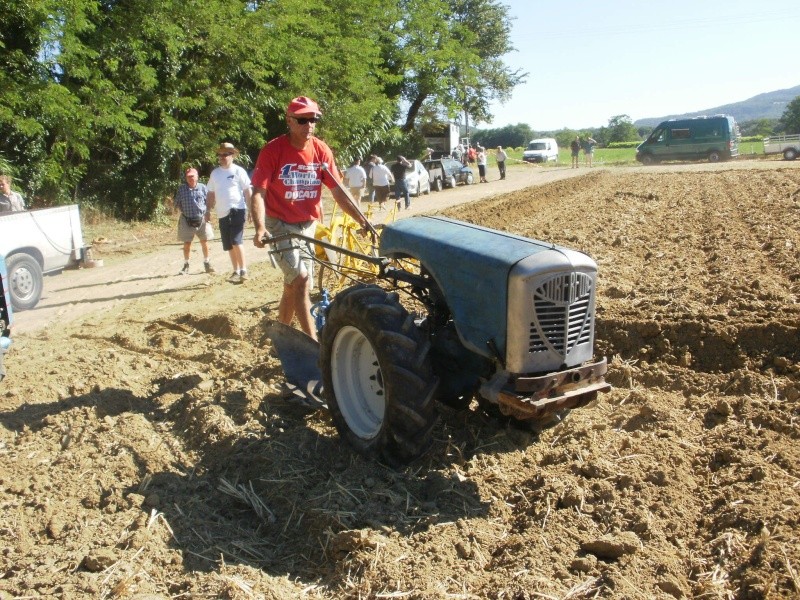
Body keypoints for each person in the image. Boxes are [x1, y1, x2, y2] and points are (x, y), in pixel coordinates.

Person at [250, 96, 372, 341]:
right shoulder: (273, 150)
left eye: (313, 119)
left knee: (293, 283)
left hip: (307, 224)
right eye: (303, 120)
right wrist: (261, 227)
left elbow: (338, 191)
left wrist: (361, 219)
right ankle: (313, 344)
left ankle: (281, 334)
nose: (309, 125)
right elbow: (258, 193)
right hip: (279, 223)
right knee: (302, 280)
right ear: (289, 121)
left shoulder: (321, 150)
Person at [207, 142, 252, 283]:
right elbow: (210, 193)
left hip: (237, 209)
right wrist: (207, 210)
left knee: (236, 240)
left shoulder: (238, 171)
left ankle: (244, 269)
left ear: (232, 155)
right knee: (228, 244)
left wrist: (250, 209)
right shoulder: (215, 173)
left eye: (225, 154)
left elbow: (247, 190)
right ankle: (236, 270)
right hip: (222, 213)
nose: (222, 157)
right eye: (220, 154)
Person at [173, 168, 215, 274]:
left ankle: (207, 263)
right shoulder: (182, 189)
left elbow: (209, 202)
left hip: (201, 219)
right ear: (186, 178)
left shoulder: (203, 188)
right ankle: (186, 265)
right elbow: (177, 203)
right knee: (187, 243)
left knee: (204, 242)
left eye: (193, 176)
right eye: (188, 176)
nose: (191, 178)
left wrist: (208, 213)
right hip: (187, 219)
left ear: (197, 177)